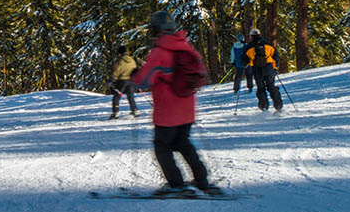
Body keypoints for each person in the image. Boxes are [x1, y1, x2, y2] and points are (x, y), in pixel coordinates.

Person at [132, 11, 222, 197]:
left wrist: (133, 75)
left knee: (162, 146)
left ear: (155, 29)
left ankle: (176, 184)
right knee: (183, 143)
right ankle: (202, 180)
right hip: (187, 108)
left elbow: (143, 81)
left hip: (167, 110)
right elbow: (200, 74)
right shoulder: (186, 47)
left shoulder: (159, 52)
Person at [244, 28, 283, 112]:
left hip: (257, 69)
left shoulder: (249, 47)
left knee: (261, 88)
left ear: (251, 36)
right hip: (269, 68)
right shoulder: (268, 44)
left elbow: (244, 61)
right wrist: (275, 67)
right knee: (271, 87)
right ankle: (278, 106)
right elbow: (275, 56)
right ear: (259, 34)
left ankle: (264, 107)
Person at [109, 45, 138, 119]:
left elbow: (116, 71)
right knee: (130, 96)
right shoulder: (132, 60)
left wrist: (112, 79)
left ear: (119, 53)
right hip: (131, 80)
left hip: (122, 81)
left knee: (117, 96)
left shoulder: (119, 61)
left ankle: (115, 112)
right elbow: (135, 69)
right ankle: (134, 110)